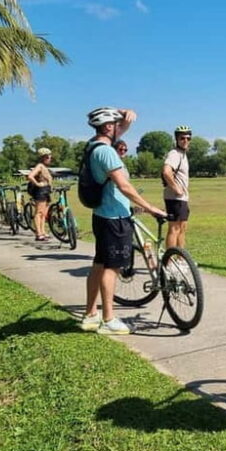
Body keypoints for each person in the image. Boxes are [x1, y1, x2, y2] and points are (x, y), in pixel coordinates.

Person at [81, 107, 166, 335]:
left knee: (99, 265)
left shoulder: (93, 145)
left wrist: (123, 115)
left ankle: (90, 314)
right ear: (108, 127)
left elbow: (121, 128)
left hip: (101, 215)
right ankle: (108, 319)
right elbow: (124, 186)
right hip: (114, 218)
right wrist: (150, 207)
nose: (120, 128)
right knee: (112, 268)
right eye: (116, 124)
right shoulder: (107, 152)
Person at [162, 126, 192, 248]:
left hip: (181, 198)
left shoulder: (182, 154)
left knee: (182, 227)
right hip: (175, 198)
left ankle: (180, 256)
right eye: (182, 138)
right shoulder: (174, 154)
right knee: (174, 228)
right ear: (177, 139)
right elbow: (166, 171)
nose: (185, 141)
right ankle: (170, 258)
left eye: (188, 138)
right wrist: (176, 188)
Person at [26, 147, 53, 241]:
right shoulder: (40, 166)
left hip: (46, 191)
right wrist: (37, 184)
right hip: (41, 191)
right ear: (44, 157)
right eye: (48, 157)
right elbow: (30, 176)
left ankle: (43, 231)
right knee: (39, 212)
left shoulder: (45, 167)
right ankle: (38, 233)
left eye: (50, 157)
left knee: (44, 213)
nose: (50, 159)